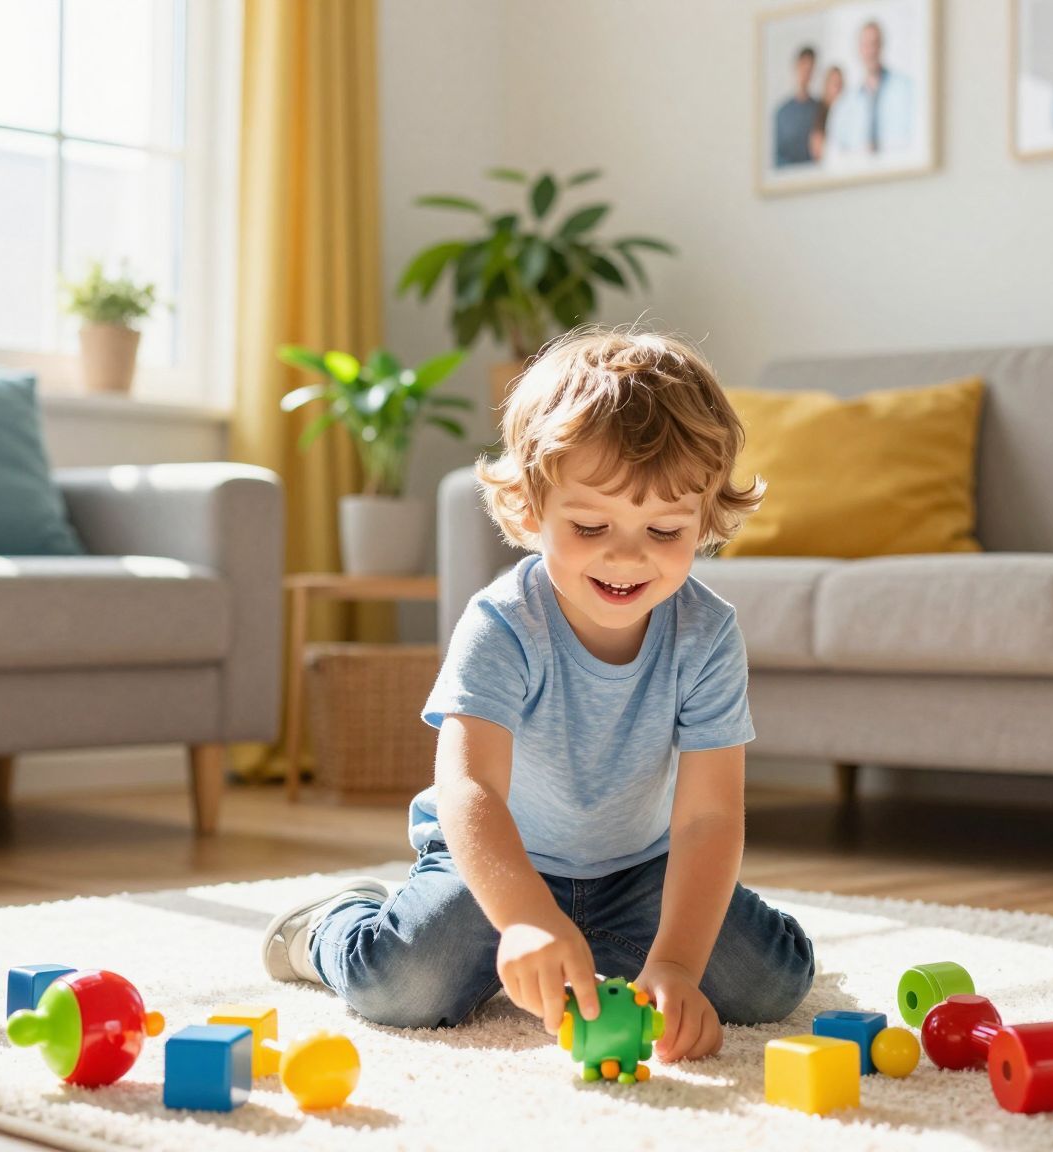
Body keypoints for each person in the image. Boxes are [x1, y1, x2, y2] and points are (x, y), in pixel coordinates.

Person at [261, 329, 815, 1063]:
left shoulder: (707, 635)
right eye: (590, 525)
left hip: (639, 869)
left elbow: (709, 817)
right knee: (402, 988)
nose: (628, 554)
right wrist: (523, 916)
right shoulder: (503, 624)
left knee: (773, 983)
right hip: (499, 863)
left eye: (665, 529)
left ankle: (604, 952)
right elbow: (470, 790)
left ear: (706, 518)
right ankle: (333, 924)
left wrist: (678, 965)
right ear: (530, 511)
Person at [827, 19, 914, 156]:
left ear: (882, 46)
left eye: (874, 43)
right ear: (859, 49)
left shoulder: (906, 89)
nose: (871, 51)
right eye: (866, 45)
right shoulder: (844, 104)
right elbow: (835, 151)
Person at [773, 45, 821, 167]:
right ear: (795, 67)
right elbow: (777, 156)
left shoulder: (820, 109)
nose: (805, 73)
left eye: (809, 69)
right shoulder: (782, 113)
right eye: (803, 67)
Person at [810, 64, 846, 162]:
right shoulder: (820, 111)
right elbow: (817, 149)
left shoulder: (849, 111)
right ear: (827, 86)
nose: (838, 88)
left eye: (840, 84)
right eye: (835, 84)